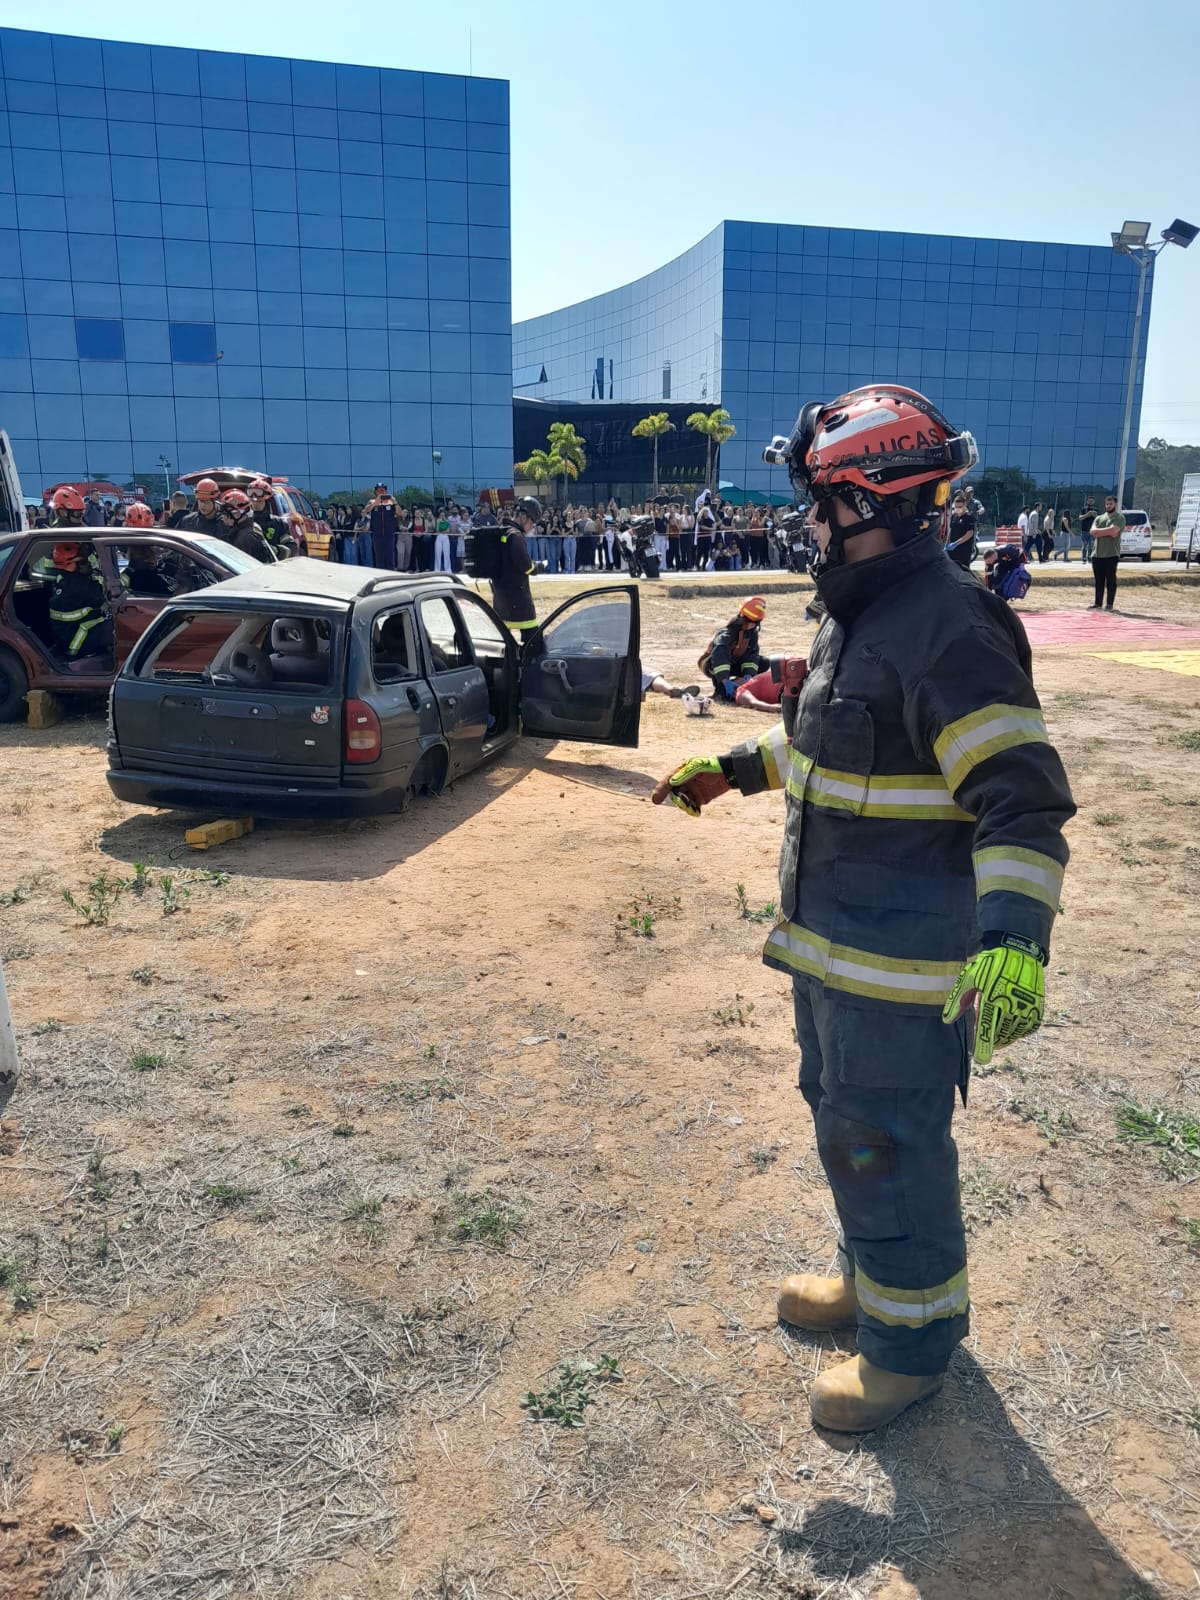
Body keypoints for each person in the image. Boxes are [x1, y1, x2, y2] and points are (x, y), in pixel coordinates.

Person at [653, 383, 1074, 1433]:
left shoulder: (949, 629)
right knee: (849, 1130)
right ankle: (868, 1275)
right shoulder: (860, 610)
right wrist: (737, 768)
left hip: (903, 971)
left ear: (881, 502)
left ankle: (911, 1347)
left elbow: (1017, 797)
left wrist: (1016, 942)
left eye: (822, 502)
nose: (808, 524)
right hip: (834, 954)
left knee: (891, 1136)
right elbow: (837, 747)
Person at [47, 542, 111, 661]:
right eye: (83, 562)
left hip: (62, 637)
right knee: (113, 623)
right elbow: (98, 600)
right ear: (69, 565)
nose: (89, 565)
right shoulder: (80, 585)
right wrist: (97, 580)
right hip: (79, 640)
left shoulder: (62, 579)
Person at [490, 496, 542, 634]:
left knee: (504, 640)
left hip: (500, 596)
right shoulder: (516, 536)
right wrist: (537, 567)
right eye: (533, 522)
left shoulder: (503, 531)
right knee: (532, 638)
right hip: (518, 599)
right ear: (524, 517)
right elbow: (525, 565)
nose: (532, 527)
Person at [699, 596, 768, 700]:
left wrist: (748, 676)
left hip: (732, 663)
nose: (753, 626)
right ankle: (720, 690)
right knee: (724, 696)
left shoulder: (751, 633)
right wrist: (725, 681)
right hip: (711, 664)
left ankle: (740, 684)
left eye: (755, 624)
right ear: (743, 621)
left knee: (764, 662)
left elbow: (752, 656)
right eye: (751, 623)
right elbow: (719, 658)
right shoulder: (727, 634)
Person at [1088, 493, 1125, 611]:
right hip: (1097, 554)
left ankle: (1109, 603)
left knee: (1110, 580)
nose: (1108, 506)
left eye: (1111, 504)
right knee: (1099, 580)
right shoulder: (1099, 518)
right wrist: (1107, 532)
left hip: (1111, 554)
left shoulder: (1119, 518)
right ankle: (1097, 603)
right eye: (1107, 504)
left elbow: (1114, 531)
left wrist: (1100, 532)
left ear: (1115, 504)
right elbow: (1092, 532)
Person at [216, 489, 273, 562]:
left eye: (224, 513)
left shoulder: (246, 538)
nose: (222, 517)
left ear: (236, 513)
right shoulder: (251, 527)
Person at [248, 479, 296, 559]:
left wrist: (277, 551)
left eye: (259, 502)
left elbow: (291, 547)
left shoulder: (278, 523)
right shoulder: (245, 522)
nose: (255, 504)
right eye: (253, 501)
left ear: (267, 500)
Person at [368, 485, 400, 570]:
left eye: (383, 491)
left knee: (390, 557)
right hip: (377, 535)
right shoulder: (372, 501)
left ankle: (391, 574)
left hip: (389, 534)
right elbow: (365, 510)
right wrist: (375, 503)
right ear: (376, 492)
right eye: (379, 491)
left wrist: (395, 502)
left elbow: (399, 513)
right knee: (379, 557)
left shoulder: (391, 502)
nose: (381, 493)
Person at [945, 490, 977, 571]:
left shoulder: (969, 517)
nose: (958, 509)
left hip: (964, 550)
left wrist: (956, 543)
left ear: (964, 506)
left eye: (960, 507)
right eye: (956, 507)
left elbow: (969, 533)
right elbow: (951, 530)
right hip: (952, 551)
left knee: (963, 571)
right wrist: (947, 543)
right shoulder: (954, 516)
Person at [1079, 497, 1096, 562]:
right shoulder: (1083, 509)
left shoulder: (1096, 509)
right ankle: (1084, 557)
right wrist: (1087, 515)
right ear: (1087, 501)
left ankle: (1090, 557)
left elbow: (1098, 519)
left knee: (1091, 545)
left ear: (1094, 502)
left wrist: (1095, 515)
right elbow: (1080, 518)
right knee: (1084, 544)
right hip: (1084, 530)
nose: (1091, 502)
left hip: (1092, 530)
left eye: (1092, 501)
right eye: (1090, 501)